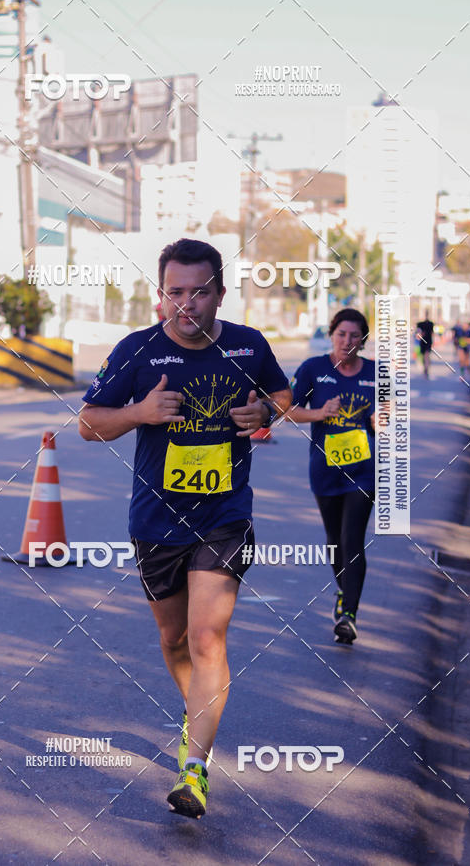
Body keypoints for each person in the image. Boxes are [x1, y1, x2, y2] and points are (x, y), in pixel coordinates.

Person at [78, 238, 291, 818]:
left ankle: (192, 769)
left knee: (205, 639)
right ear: (161, 293)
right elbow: (88, 424)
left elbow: (280, 392)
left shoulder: (248, 346)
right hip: (155, 522)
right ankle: (199, 712)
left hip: (225, 517)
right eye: (175, 292)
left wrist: (265, 413)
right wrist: (138, 414)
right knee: (174, 642)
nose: (186, 304)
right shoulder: (136, 350)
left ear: (220, 293)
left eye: (199, 292)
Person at [285, 308, 375, 645]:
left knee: (353, 540)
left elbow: (391, 417)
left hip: (363, 471)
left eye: (354, 336)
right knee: (335, 541)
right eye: (341, 334)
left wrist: (383, 421)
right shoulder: (313, 368)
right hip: (325, 470)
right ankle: (343, 591)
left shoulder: (377, 373)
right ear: (332, 335)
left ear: (363, 340)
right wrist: (320, 413)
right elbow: (289, 410)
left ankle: (349, 614)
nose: (347, 342)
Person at [416, 311, 434, 378]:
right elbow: (418, 333)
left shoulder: (429, 324)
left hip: (427, 342)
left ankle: (426, 369)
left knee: (426, 356)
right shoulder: (422, 324)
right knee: (425, 356)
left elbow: (417, 333)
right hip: (425, 342)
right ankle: (426, 367)